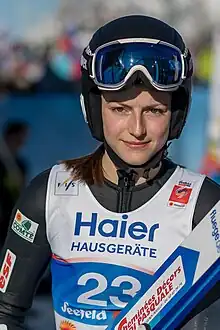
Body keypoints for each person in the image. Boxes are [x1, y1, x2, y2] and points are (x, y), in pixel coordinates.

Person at [0, 15, 219, 330]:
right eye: (120, 109)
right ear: (94, 109)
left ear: (176, 114)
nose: (137, 129)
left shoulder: (204, 205)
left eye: (155, 110)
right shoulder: (50, 193)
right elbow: (5, 313)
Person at [0, 120, 29, 248]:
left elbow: (22, 189)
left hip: (10, 217)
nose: (22, 141)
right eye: (20, 137)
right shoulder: (2, 163)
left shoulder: (20, 165)